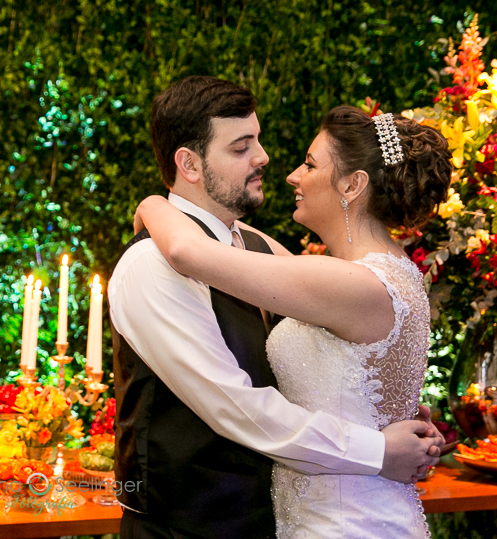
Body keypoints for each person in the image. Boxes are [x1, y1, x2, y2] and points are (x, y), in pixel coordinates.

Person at [110, 76, 448, 539]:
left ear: (353, 186)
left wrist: (151, 203)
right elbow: (233, 406)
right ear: (188, 163)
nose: (268, 159)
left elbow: (193, 250)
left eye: (260, 141)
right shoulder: (153, 262)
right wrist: (380, 444)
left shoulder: (264, 256)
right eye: (241, 146)